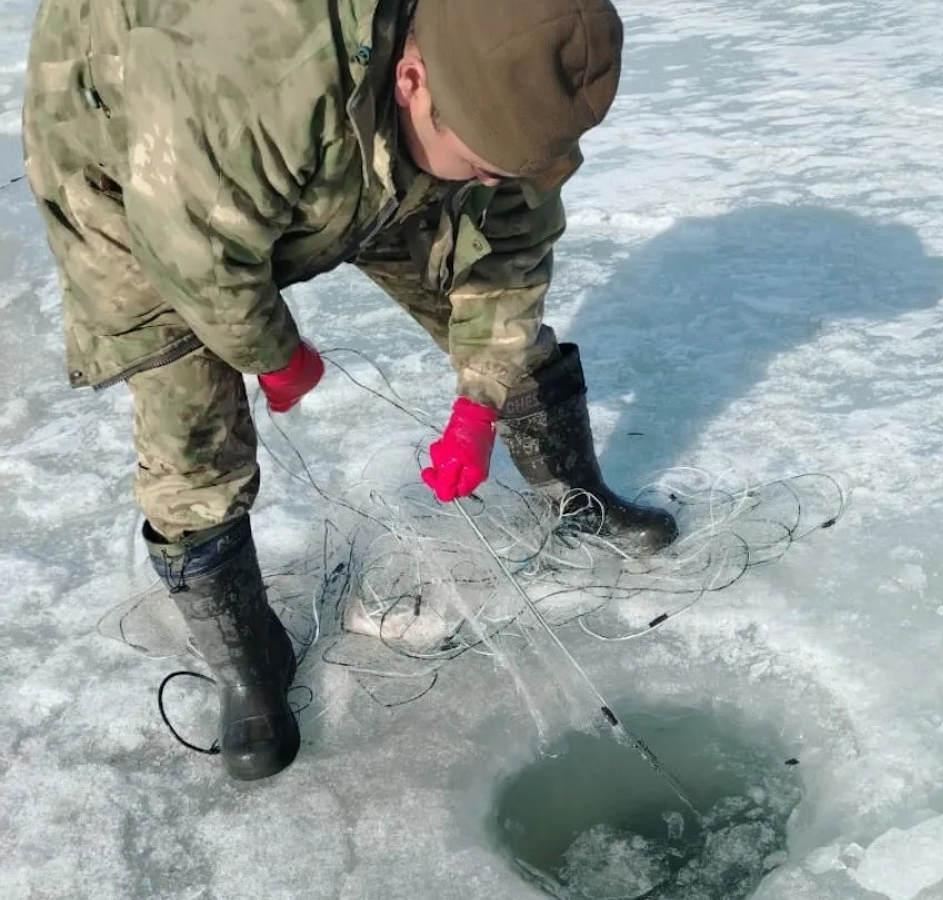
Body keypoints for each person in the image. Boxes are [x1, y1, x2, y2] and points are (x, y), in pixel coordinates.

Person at [22, 0, 677, 781]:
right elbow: (192, 248)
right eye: (481, 163)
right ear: (413, 78)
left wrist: (478, 402)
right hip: (135, 160)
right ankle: (249, 657)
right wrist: (276, 352)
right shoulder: (253, 68)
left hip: (350, 143)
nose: (498, 180)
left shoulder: (504, 63)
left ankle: (576, 495)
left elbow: (509, 248)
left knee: (481, 285)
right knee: (189, 413)